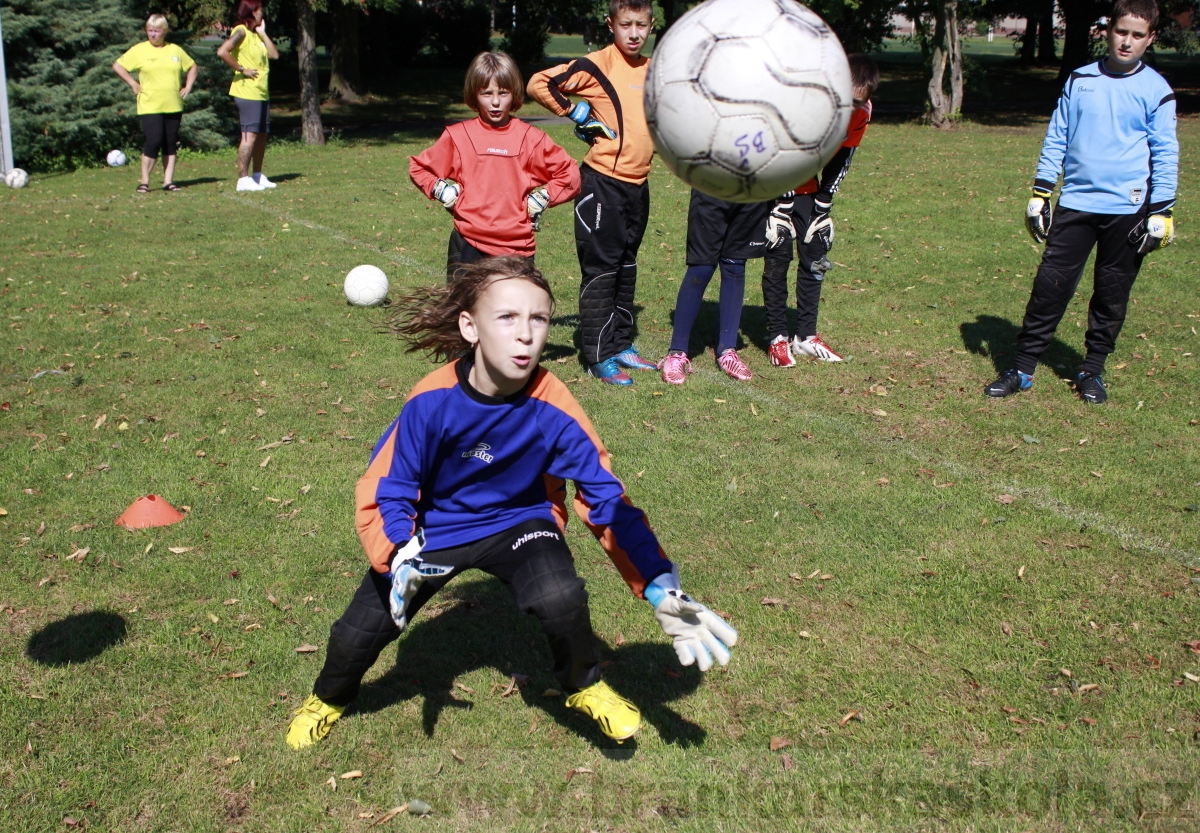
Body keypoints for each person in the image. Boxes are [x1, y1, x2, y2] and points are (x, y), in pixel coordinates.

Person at [285, 257, 737, 750]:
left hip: (521, 521)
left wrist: (658, 585)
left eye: (538, 319)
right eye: (507, 318)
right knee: (355, 635)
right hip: (435, 531)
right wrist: (398, 552)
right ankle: (327, 699)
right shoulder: (430, 400)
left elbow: (605, 497)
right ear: (470, 327)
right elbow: (389, 487)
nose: (526, 335)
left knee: (559, 595)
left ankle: (584, 685)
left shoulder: (554, 405)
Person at [984, 0, 1177, 405]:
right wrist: (1041, 192)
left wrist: (1162, 210)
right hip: (1076, 202)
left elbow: (1165, 152)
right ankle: (1021, 368)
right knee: (1050, 286)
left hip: (1128, 210)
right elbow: (1057, 136)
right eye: (1122, 31)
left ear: (1150, 38)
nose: (1127, 42)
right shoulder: (1080, 79)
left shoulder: (1156, 90)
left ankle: (1092, 371)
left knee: (1111, 293)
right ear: (1109, 30)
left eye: (1138, 35)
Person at [527, 0, 656, 385]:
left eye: (642, 25)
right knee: (601, 269)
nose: (634, 33)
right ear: (611, 24)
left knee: (627, 265)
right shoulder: (597, 64)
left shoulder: (653, 70)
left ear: (651, 26)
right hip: (602, 183)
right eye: (626, 25)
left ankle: (620, 344)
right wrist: (576, 113)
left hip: (639, 185)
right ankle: (598, 354)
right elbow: (539, 83)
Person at [409, 52, 581, 281]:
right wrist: (442, 191)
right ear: (474, 94)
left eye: (503, 92)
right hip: (468, 243)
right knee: (465, 313)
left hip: (517, 247)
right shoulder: (458, 136)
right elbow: (419, 168)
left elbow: (570, 174)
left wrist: (543, 197)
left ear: (514, 93)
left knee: (514, 314)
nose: (496, 102)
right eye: (486, 93)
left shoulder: (531, 138)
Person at [760, 54, 880, 368]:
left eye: (857, 102)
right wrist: (782, 205)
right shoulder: (805, 102)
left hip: (808, 185)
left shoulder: (861, 111)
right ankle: (777, 337)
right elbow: (779, 148)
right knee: (778, 251)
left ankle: (806, 336)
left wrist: (823, 206)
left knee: (816, 250)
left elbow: (843, 158)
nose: (850, 108)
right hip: (770, 181)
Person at [658, 191, 773, 383]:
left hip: (752, 190)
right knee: (701, 268)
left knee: (735, 266)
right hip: (712, 185)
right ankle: (676, 352)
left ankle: (727, 350)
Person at [111, 15, 197, 193]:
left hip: (173, 104)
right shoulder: (139, 50)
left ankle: (168, 181)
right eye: (150, 30)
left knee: (170, 143)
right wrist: (133, 83)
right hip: (150, 104)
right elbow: (118, 66)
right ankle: (144, 181)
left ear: (164, 31)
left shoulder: (175, 50)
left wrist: (188, 86)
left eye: (156, 31)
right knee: (154, 140)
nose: (153, 34)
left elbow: (192, 66)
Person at [216, 0, 279, 193]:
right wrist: (242, 69)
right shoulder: (241, 31)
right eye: (259, 11)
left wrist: (262, 32)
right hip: (247, 92)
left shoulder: (254, 35)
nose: (262, 14)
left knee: (261, 135)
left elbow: (274, 55)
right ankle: (242, 179)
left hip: (261, 92)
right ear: (251, 12)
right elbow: (222, 51)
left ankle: (257, 175)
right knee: (249, 135)